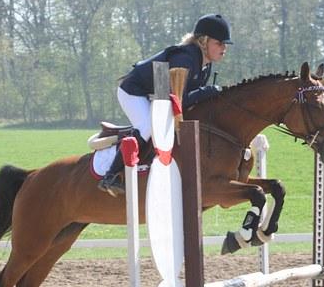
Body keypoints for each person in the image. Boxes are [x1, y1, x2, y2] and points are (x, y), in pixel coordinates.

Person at [98, 13, 233, 196]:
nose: (224, 48)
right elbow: (178, 100)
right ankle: (110, 176)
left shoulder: (205, 64)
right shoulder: (185, 59)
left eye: (225, 44)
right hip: (133, 91)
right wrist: (207, 91)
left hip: (157, 93)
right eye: (219, 43)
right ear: (203, 41)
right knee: (147, 126)